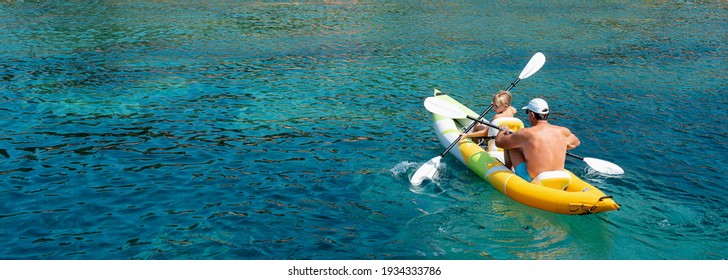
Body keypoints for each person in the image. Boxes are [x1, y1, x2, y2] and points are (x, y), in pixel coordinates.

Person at [494, 98, 580, 182]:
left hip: (534, 180)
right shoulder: (563, 131)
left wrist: (503, 130)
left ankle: (507, 170)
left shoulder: (526, 133)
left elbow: (499, 142)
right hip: (559, 179)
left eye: (527, 112)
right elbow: (576, 143)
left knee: (511, 144)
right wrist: (559, 146)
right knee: (524, 146)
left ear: (532, 115)